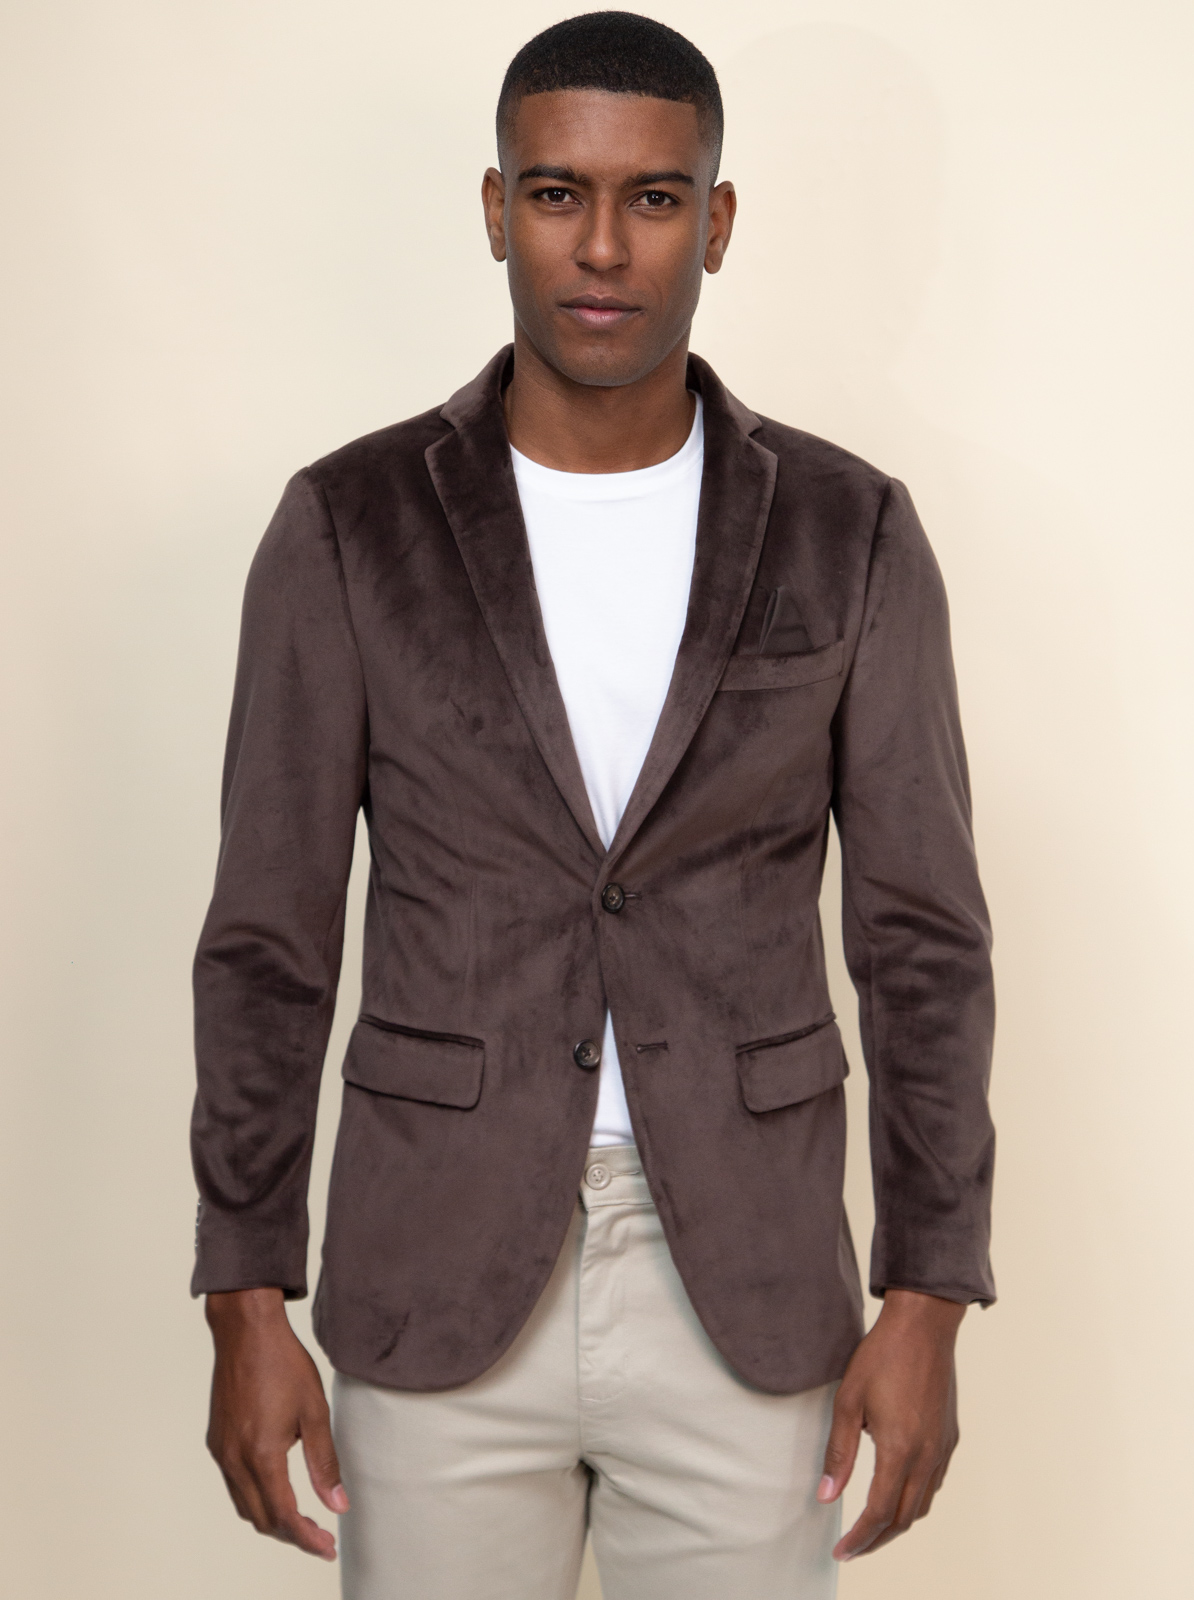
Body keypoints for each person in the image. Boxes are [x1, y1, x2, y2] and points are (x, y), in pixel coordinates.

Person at [191, 12, 996, 1598]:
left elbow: (924, 947)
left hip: (748, 1276)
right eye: (559, 194)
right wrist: (244, 1296)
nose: (605, 247)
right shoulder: (351, 525)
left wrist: (928, 1297)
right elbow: (268, 941)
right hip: (434, 1269)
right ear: (498, 209)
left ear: (718, 220)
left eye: (655, 198)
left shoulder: (848, 530)